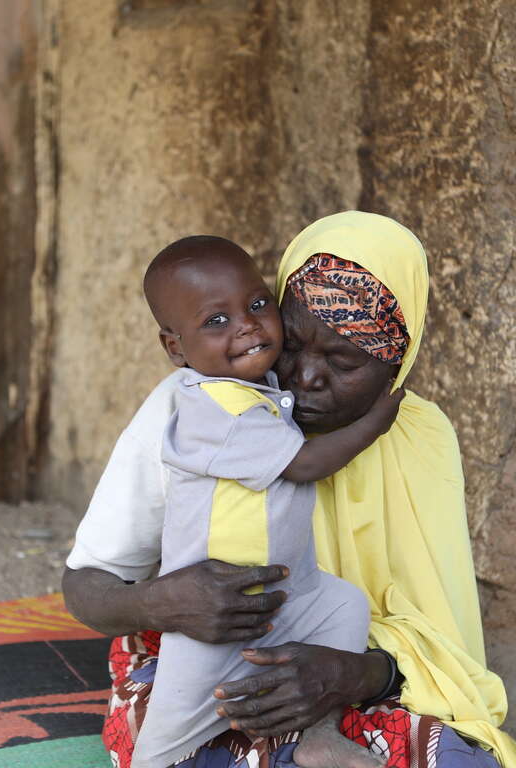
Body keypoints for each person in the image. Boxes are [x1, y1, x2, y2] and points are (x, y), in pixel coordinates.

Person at [64, 211, 516, 768]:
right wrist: (162, 602)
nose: (304, 378)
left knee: (453, 760)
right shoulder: (198, 406)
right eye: (292, 345)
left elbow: (442, 641)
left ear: (397, 368)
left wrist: (350, 673)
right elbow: (85, 587)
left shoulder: (418, 438)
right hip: (205, 665)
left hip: (349, 687)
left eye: (343, 361)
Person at [130, 235, 401, 768]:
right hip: (220, 606)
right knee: (164, 741)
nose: (247, 327)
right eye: (217, 321)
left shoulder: (260, 388)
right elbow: (305, 464)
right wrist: (379, 419)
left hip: (289, 593)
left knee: (345, 605)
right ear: (175, 349)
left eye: (257, 304)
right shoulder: (214, 409)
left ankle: (319, 735)